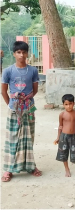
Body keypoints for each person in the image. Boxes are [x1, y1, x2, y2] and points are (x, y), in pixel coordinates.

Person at [1, 41, 42, 182]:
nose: (21, 55)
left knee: (29, 138)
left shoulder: (33, 70)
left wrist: (26, 101)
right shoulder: (7, 71)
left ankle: (31, 166)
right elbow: (3, 91)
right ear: (14, 54)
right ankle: (8, 169)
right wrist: (12, 105)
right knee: (12, 139)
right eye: (18, 52)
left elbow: (35, 90)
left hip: (30, 107)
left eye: (24, 52)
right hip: (14, 108)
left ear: (27, 53)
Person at [54, 94, 75, 177]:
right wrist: (58, 137)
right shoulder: (62, 114)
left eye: (70, 104)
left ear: (74, 103)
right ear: (63, 105)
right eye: (66, 104)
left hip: (73, 136)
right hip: (63, 136)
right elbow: (60, 126)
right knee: (64, 153)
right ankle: (67, 169)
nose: (68, 106)